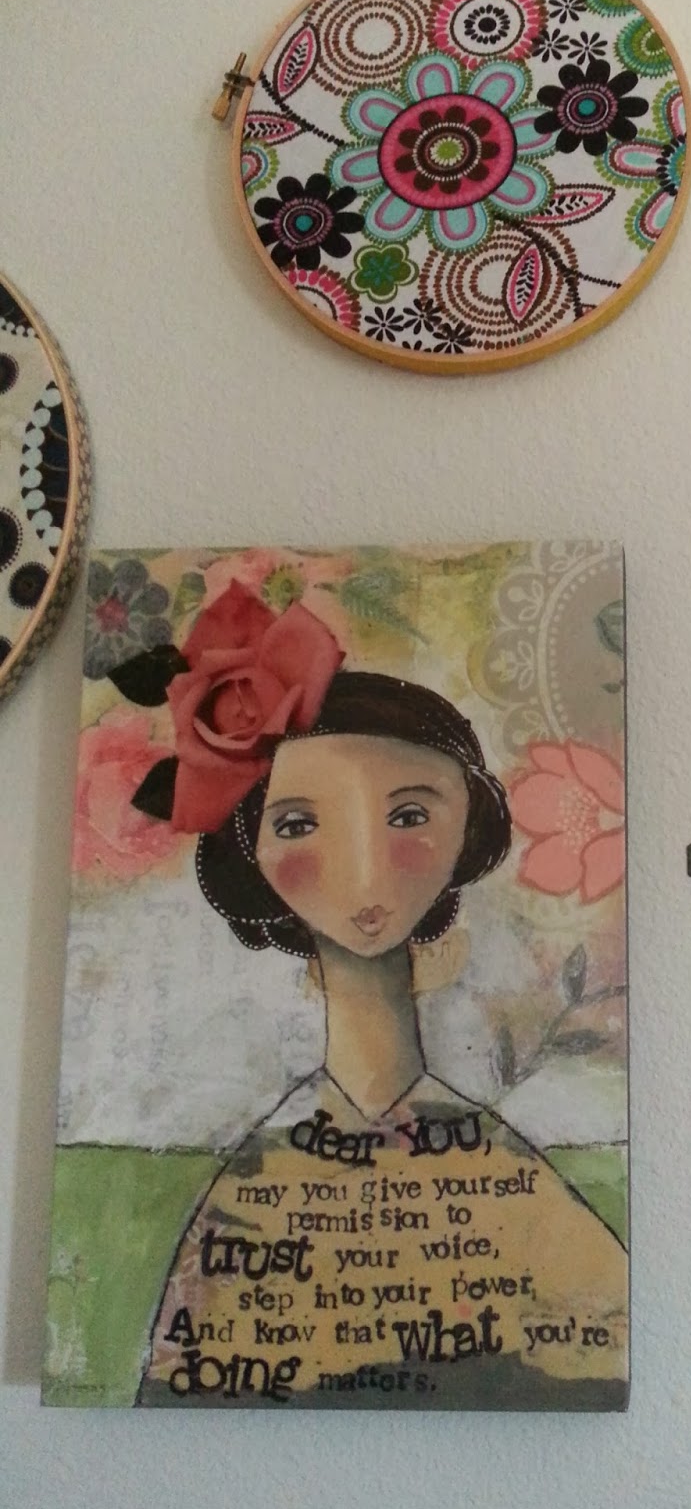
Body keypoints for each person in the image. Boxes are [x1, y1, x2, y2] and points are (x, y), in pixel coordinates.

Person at [131, 583, 627, 1409]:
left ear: (466, 824)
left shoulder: (508, 1182)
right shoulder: (253, 1189)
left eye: (407, 815)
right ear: (250, 852)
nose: (363, 873)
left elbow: (597, 1353)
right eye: (298, 825)